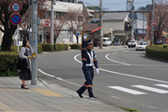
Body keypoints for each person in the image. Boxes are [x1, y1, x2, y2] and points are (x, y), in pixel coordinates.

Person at [76, 33, 99, 99]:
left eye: (91, 44)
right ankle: (91, 94)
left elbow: (95, 59)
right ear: (87, 45)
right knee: (89, 80)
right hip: (86, 67)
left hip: (91, 67)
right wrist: (84, 40)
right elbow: (83, 46)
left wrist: (97, 67)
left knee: (90, 80)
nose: (91, 45)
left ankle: (80, 91)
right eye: (89, 44)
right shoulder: (84, 51)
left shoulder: (92, 52)